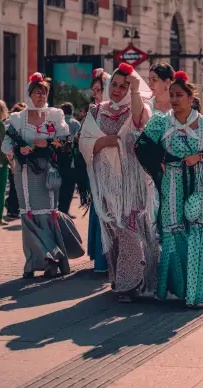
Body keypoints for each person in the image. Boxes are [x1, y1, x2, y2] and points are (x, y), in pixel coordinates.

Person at [136, 71, 203, 308]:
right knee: (173, 231)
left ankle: (200, 291)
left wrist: (200, 156)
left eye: (179, 95)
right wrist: (160, 161)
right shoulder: (161, 122)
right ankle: (180, 289)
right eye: (172, 95)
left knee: (198, 229)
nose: (174, 99)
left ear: (190, 96)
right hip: (171, 183)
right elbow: (141, 146)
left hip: (197, 184)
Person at [80, 62, 158, 302]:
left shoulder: (138, 107)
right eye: (114, 84)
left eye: (124, 86)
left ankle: (128, 284)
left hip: (132, 181)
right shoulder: (96, 111)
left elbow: (139, 124)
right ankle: (122, 279)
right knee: (114, 230)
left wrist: (134, 90)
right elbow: (84, 142)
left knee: (130, 229)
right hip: (106, 181)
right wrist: (105, 142)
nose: (117, 89)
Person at [2, 73, 72, 279]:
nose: (40, 96)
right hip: (24, 173)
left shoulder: (55, 116)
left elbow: (67, 142)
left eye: (44, 92)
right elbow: (5, 144)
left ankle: (53, 259)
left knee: (48, 212)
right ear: (28, 94)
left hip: (48, 172)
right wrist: (18, 148)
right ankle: (35, 260)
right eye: (36, 92)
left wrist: (49, 143)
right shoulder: (17, 119)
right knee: (28, 213)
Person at [84, 68, 112, 273]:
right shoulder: (93, 111)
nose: (95, 93)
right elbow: (85, 141)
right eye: (93, 90)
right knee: (101, 211)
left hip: (116, 169)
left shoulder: (117, 111)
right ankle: (101, 259)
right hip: (97, 167)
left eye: (98, 89)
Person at [57, 103, 82, 216]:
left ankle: (57, 209)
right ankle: (65, 210)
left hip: (58, 159)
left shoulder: (58, 123)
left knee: (59, 184)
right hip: (72, 161)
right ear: (71, 111)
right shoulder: (76, 124)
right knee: (69, 186)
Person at [5, 102, 28, 219]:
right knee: (16, 186)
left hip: (11, 160)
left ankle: (11, 206)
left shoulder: (8, 123)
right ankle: (13, 210)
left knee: (15, 185)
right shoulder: (15, 125)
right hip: (16, 159)